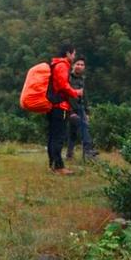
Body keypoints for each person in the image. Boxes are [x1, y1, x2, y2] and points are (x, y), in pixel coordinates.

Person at [47, 44, 83, 175]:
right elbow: (63, 85)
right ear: (68, 53)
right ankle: (59, 166)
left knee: (52, 135)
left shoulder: (55, 64)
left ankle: (52, 164)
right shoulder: (62, 66)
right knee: (59, 137)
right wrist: (75, 92)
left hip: (52, 105)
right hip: (60, 106)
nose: (74, 57)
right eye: (73, 54)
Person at [66, 56, 98, 160]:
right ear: (73, 65)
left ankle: (70, 155)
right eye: (78, 64)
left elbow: (85, 96)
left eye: (82, 65)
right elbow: (64, 95)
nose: (80, 66)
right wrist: (70, 111)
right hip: (69, 109)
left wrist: (87, 112)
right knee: (83, 127)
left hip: (80, 108)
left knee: (73, 132)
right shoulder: (67, 78)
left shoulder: (82, 79)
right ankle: (88, 151)